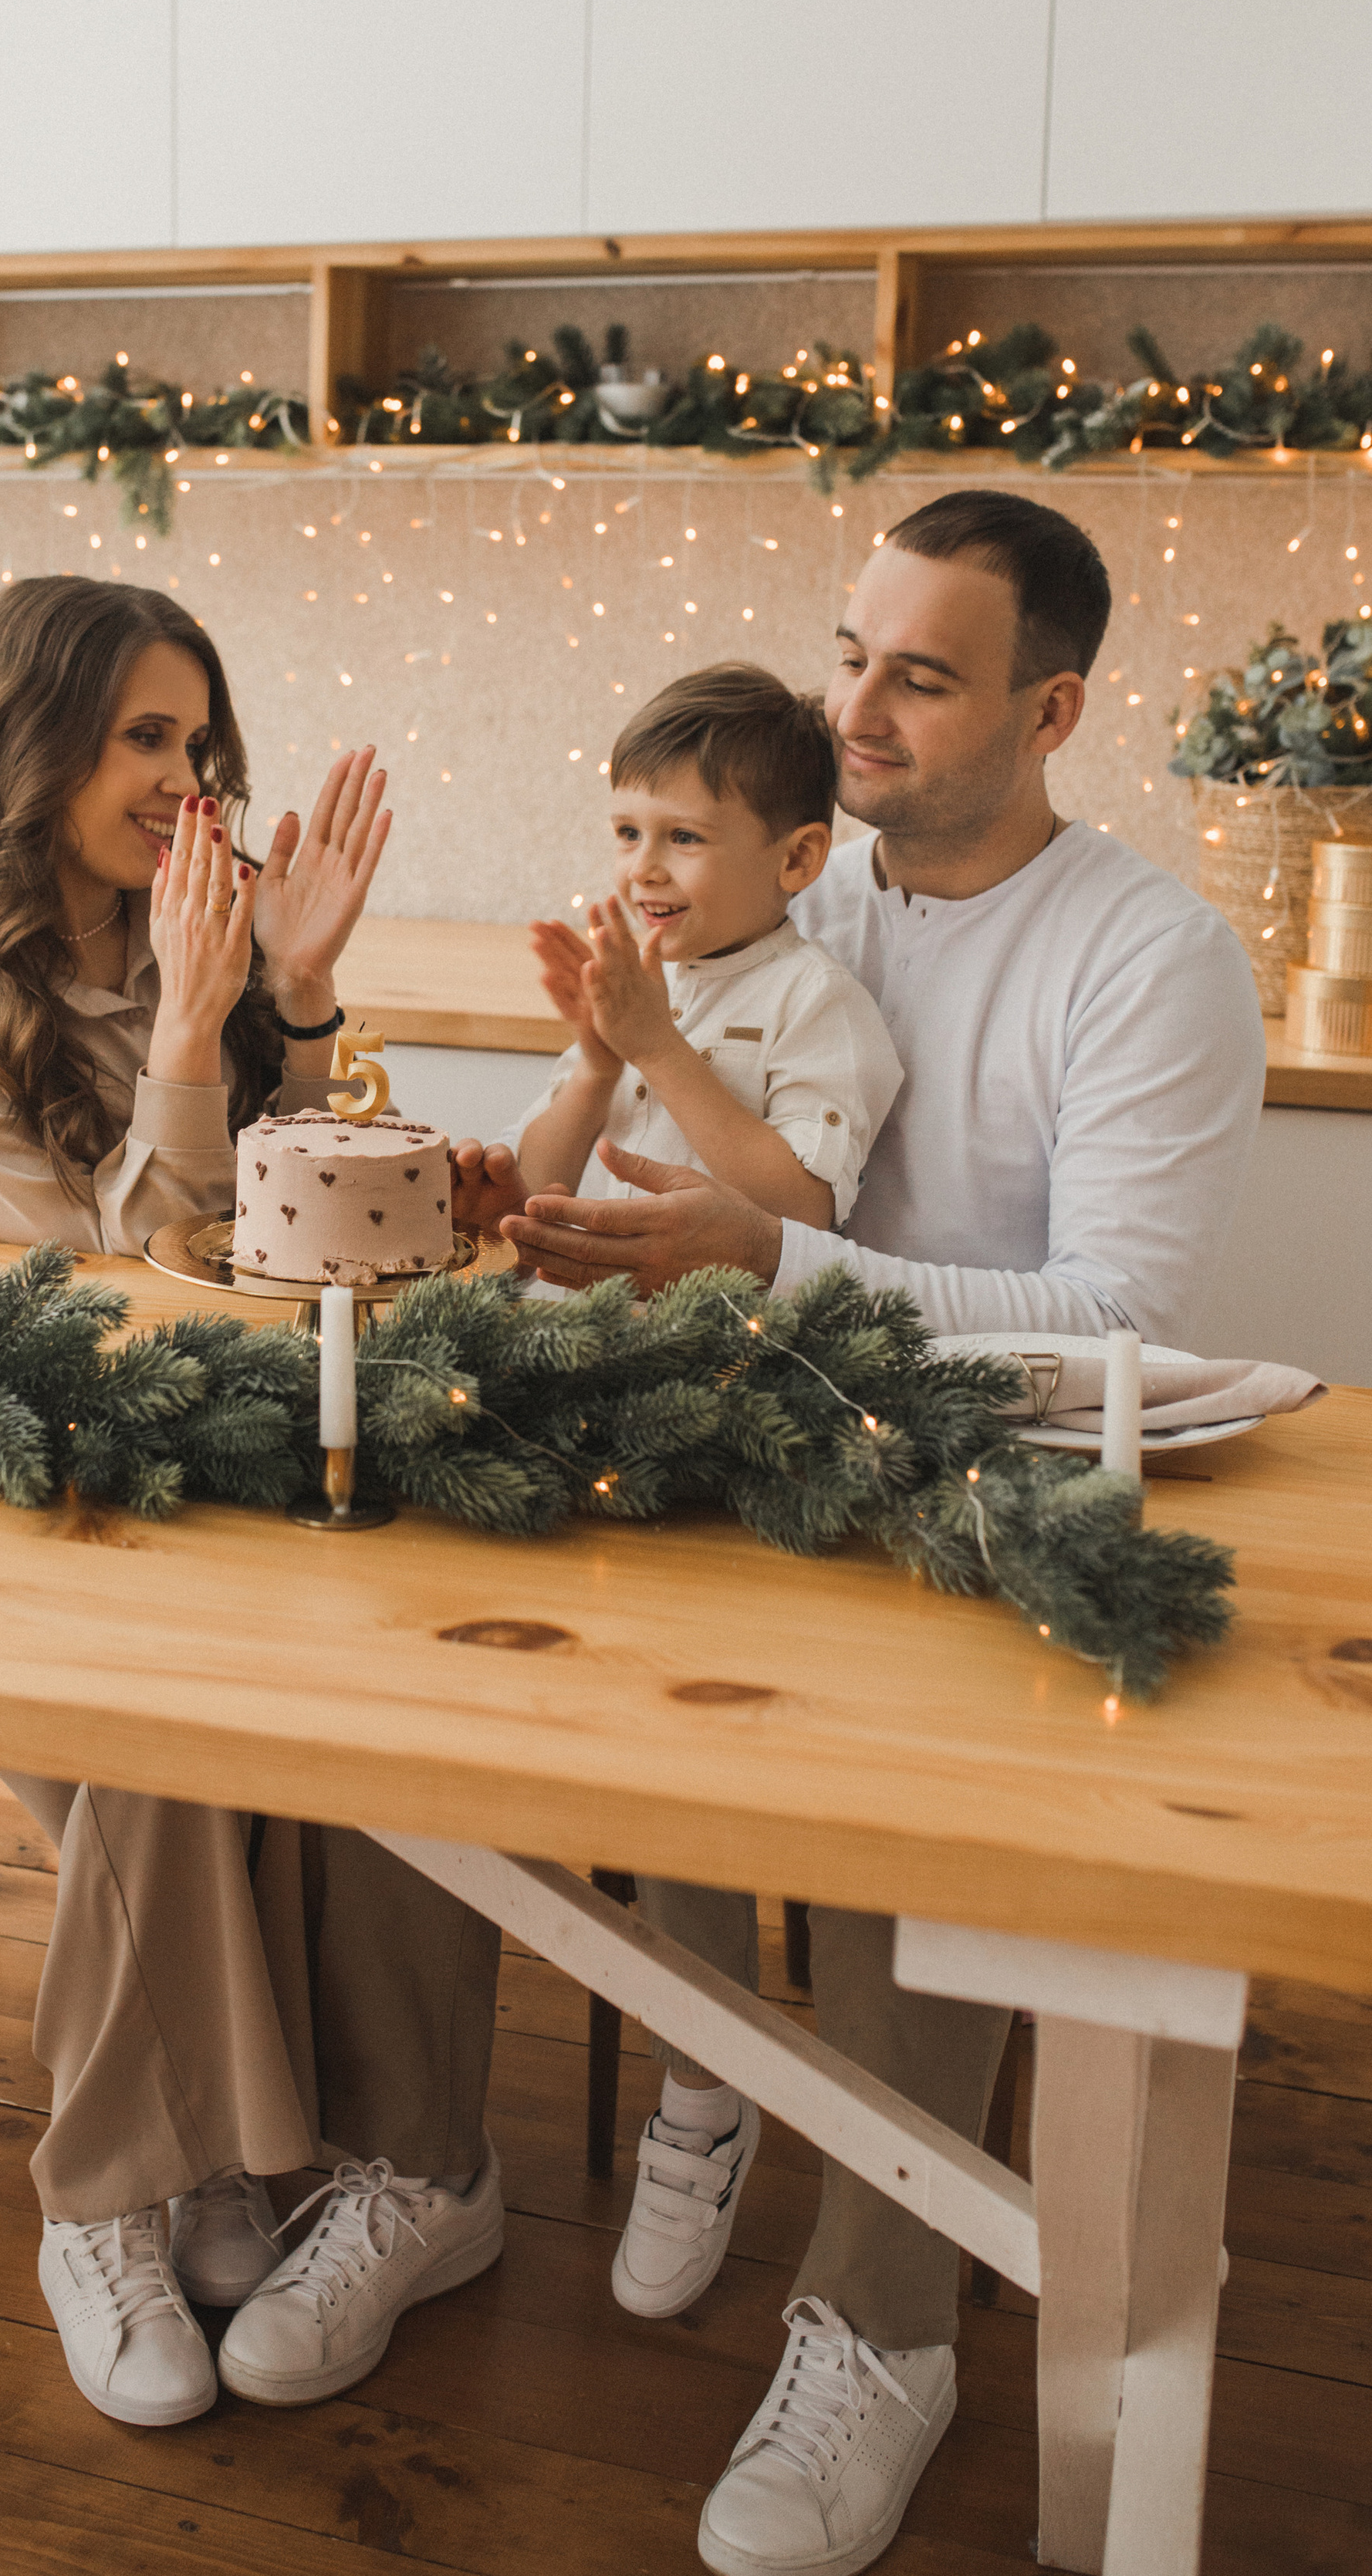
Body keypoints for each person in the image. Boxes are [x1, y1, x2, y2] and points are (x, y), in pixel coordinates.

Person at [461, 491, 1265, 2576]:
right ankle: (668, 2097)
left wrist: (770, 1261)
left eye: (923, 674)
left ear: (1053, 705)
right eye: (852, 655)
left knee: (929, 1862)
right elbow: (658, 1096)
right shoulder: (790, 887)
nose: (860, 709)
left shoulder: (1146, 955)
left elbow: (1121, 1324)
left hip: (1006, 1474)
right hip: (737, 1456)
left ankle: (885, 2327)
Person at [0, 576, 505, 2431]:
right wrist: (199, 1027)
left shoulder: (189, 943)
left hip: (229, 1455)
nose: (184, 771)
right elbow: (110, 1302)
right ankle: (121, 2190)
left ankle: (294, 2153)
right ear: (29, 743)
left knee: (382, 1628)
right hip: (36, 1489)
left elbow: (273, 1228)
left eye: (194, 736)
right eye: (142, 734)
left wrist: (288, 1000)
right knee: (155, 1704)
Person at [509, 663, 901, 1244]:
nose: (643, 868)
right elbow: (529, 1192)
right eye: (628, 833)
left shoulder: (817, 1002)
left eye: (684, 837)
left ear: (796, 859)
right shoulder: (630, 988)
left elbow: (801, 1212)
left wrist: (657, 1049)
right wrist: (598, 1065)